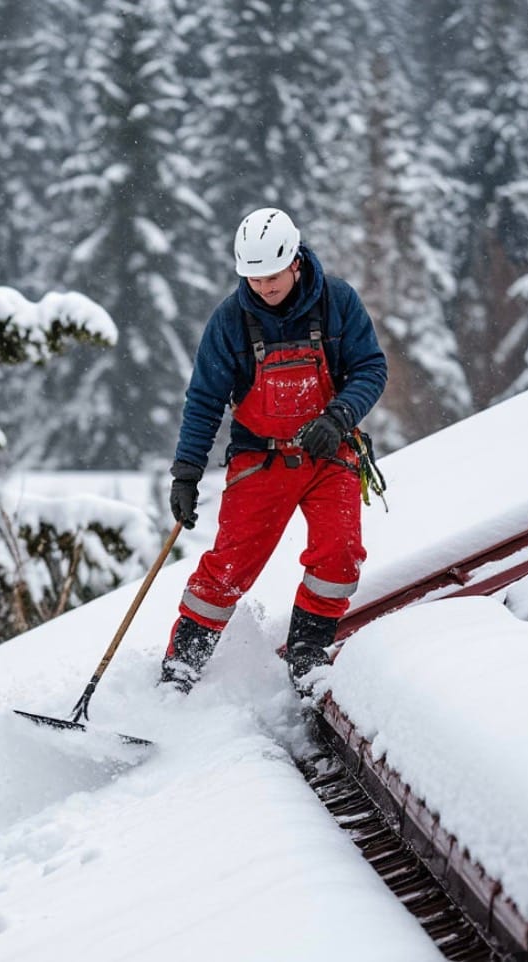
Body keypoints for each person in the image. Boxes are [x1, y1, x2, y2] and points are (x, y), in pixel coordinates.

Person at [161, 206, 387, 695]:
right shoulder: (230, 321)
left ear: (295, 262)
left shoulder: (337, 302)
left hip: (329, 455)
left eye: (271, 276)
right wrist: (187, 472)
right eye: (253, 277)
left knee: (340, 553)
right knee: (229, 566)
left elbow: (371, 368)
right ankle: (181, 667)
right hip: (260, 459)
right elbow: (204, 400)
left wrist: (338, 416)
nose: (263, 287)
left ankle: (308, 651)